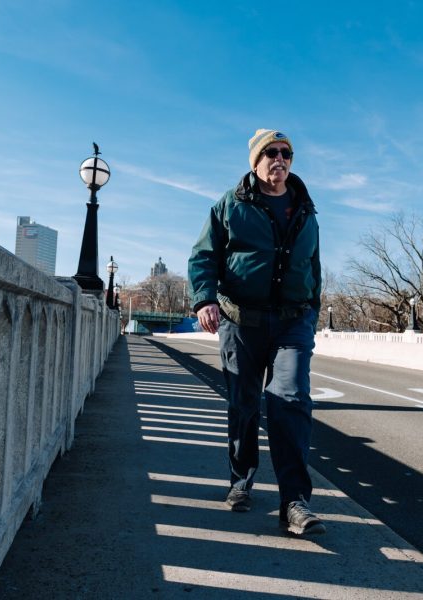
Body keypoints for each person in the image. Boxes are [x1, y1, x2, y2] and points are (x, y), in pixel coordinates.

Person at [188, 129, 324, 536]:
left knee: (291, 399)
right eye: (270, 153)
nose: (279, 159)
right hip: (241, 320)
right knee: (244, 403)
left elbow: (313, 267)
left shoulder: (305, 208)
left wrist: (312, 313)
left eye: (286, 153)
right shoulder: (230, 205)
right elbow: (203, 256)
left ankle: (294, 502)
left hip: (292, 321)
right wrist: (204, 300)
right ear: (255, 161)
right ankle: (241, 481)